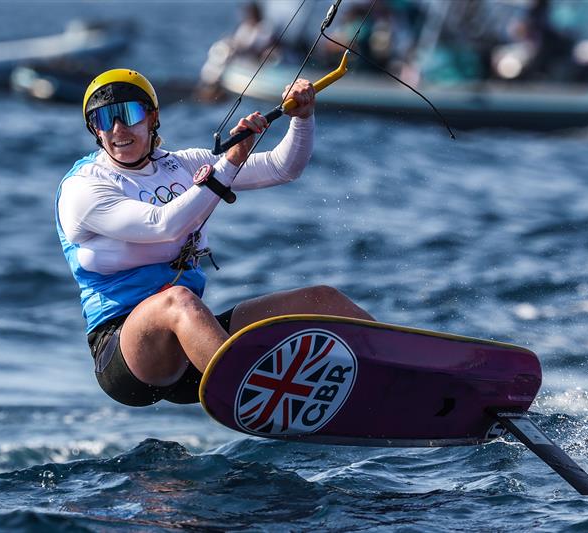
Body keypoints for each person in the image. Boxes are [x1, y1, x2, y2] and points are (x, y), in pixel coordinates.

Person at [55, 68, 374, 407]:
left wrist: (303, 118)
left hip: (194, 344)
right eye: (105, 119)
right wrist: (228, 165)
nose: (118, 129)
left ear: (152, 117)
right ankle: (258, 402)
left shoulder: (182, 165)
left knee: (320, 298)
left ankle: (407, 367)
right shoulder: (83, 187)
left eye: (130, 114)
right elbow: (162, 225)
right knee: (178, 300)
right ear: (94, 129)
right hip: (127, 356)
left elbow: (283, 168)